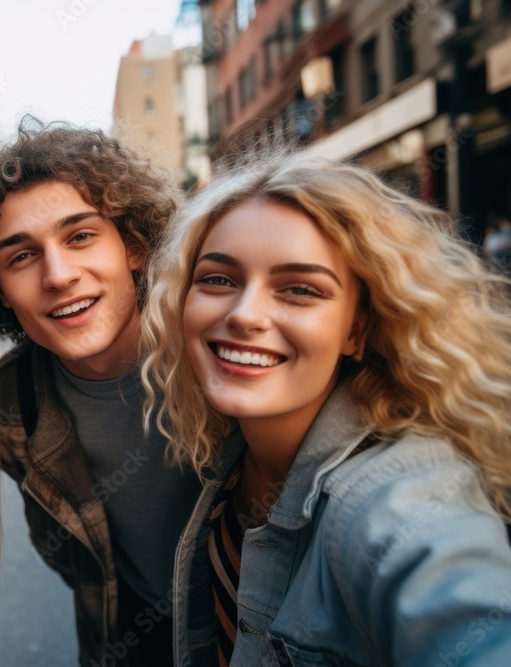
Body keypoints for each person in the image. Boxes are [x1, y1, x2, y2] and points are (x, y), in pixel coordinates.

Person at [142, 149, 511, 666]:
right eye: (218, 279)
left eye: (299, 289)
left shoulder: (397, 499)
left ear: (356, 330)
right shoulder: (223, 450)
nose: (245, 314)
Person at [0, 119, 202, 665]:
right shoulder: (6, 401)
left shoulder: (218, 353)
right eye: (21, 256)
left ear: (133, 245)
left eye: (80, 236)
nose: (58, 275)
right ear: (0, 292)